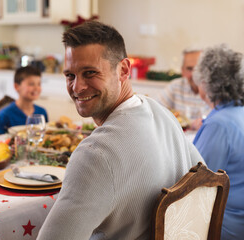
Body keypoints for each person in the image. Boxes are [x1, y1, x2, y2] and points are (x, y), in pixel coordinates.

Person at [37, 21, 203, 240]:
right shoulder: (161, 112)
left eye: (90, 73)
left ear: (124, 70)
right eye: (70, 75)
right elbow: (204, 183)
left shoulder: (95, 154)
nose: (77, 87)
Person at [192, 44, 244, 240]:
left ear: (205, 82)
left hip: (226, 224)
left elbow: (196, 180)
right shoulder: (237, 112)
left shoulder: (219, 125)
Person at [157, 48, 209, 130]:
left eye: (197, 69)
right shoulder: (174, 87)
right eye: (189, 69)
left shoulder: (213, 90)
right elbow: (156, 112)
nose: (194, 74)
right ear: (182, 70)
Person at [0, 66, 48, 135]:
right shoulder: (5, 114)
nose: (36, 88)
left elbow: (46, 135)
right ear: (16, 87)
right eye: (31, 84)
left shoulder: (42, 112)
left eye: (39, 84)